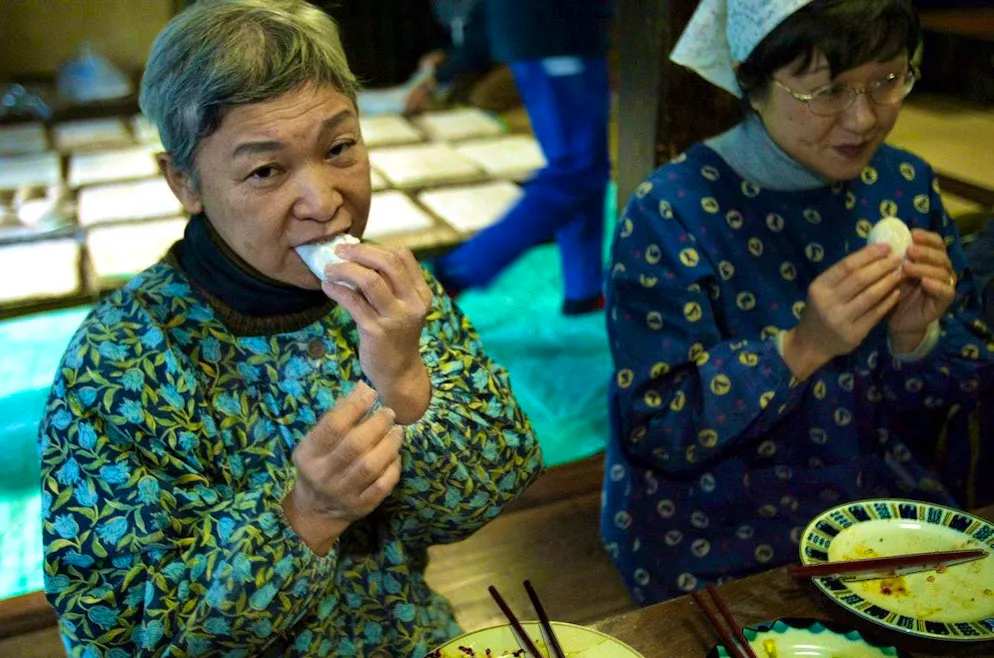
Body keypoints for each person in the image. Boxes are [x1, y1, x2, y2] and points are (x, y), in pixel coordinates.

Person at [38, 1, 542, 655]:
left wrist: (406, 380)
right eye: (267, 171)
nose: (325, 202)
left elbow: (486, 496)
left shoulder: (391, 297)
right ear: (184, 182)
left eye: (339, 148)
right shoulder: (120, 362)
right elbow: (115, 637)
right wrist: (306, 518)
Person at [601, 0, 994, 605]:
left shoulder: (905, 185)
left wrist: (917, 339)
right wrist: (798, 348)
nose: (863, 119)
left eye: (888, 79)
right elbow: (657, 426)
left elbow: (959, 391)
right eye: (829, 91)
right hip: (719, 534)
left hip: (882, 515)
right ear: (749, 77)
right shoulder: (670, 213)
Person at [412, 0, 615, 316]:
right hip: (557, 29)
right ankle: (459, 269)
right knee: (576, 169)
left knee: (585, 166)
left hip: (553, 29)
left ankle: (584, 289)